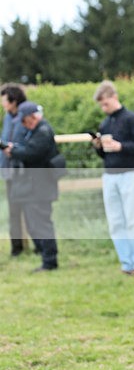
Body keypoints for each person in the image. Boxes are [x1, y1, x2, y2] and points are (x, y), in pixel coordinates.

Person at [92, 81, 134, 275]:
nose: (103, 108)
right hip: (109, 176)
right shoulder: (105, 123)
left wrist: (121, 146)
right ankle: (126, 263)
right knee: (116, 221)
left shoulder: (132, 118)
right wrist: (99, 147)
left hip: (130, 174)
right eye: (101, 105)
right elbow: (104, 155)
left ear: (114, 97)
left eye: (105, 103)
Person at [3, 101, 60, 271]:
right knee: (35, 224)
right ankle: (46, 258)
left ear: (32, 117)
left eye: (24, 120)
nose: (22, 124)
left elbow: (32, 153)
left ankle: (49, 261)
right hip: (36, 186)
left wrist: (13, 151)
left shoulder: (42, 132)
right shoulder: (36, 131)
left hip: (41, 186)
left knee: (41, 224)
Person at [1, 84, 28, 256]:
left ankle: (41, 246)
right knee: (13, 211)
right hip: (9, 170)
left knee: (31, 209)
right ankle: (16, 248)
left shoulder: (27, 116)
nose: (2, 104)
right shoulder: (7, 118)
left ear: (14, 101)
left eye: (4, 100)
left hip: (24, 170)